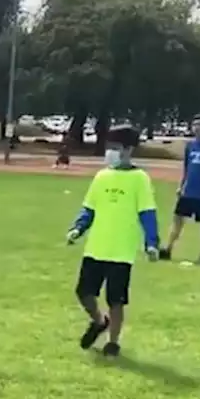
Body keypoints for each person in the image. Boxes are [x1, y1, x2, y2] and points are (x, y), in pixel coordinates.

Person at [65, 125, 161, 357]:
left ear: (129, 149)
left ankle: (113, 341)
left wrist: (151, 242)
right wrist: (78, 228)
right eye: (110, 147)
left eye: (116, 148)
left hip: (121, 250)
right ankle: (99, 321)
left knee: (116, 299)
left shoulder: (140, 179)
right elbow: (89, 208)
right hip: (97, 247)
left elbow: (147, 213)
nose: (111, 152)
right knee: (84, 292)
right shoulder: (102, 176)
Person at [160, 114, 200, 263]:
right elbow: (186, 168)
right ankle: (168, 248)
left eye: (199, 124)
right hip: (188, 190)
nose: (196, 128)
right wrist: (181, 186)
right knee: (177, 219)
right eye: (194, 124)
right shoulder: (190, 145)